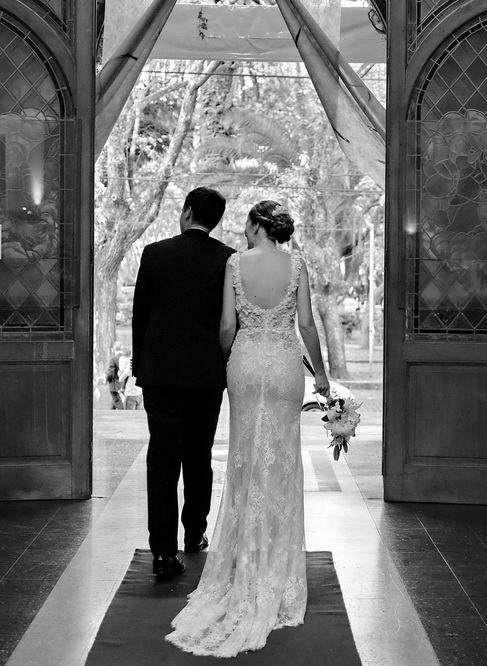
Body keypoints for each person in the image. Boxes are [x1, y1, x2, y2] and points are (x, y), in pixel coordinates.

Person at [166, 200, 330, 657]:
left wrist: (228, 356)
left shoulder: (235, 263)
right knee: (281, 462)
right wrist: (319, 373)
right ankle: (275, 566)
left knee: (244, 460)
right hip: (282, 367)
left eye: (247, 223)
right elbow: (306, 325)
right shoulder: (296, 264)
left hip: (245, 364)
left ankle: (241, 563)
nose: (242, 230)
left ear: (258, 226)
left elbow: (225, 325)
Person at [132, 186, 236, 581]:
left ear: (187, 211)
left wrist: (141, 365)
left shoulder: (155, 253)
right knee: (199, 457)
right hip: (207, 376)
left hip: (159, 375)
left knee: (162, 459)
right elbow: (231, 322)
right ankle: (195, 534)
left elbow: (140, 315)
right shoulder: (228, 259)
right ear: (216, 220)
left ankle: (162, 551)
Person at [104, 342, 125, 410]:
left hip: (114, 383)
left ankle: (123, 413)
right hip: (122, 382)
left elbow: (110, 372)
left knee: (116, 398)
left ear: (114, 349)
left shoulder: (113, 358)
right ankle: (111, 411)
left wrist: (106, 379)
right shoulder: (125, 357)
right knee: (114, 399)